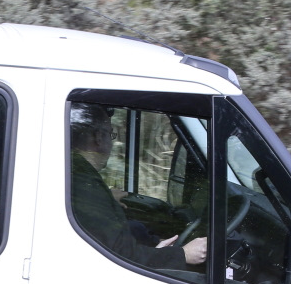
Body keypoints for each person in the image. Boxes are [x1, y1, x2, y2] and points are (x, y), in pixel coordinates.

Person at [69, 104, 208, 269]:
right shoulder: (86, 187)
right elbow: (122, 257)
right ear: (99, 137)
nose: (112, 144)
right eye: (111, 135)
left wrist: (106, 197)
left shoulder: (78, 175)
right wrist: (184, 254)